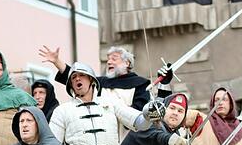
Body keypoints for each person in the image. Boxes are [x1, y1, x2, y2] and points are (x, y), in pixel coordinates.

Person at [38, 45, 173, 111]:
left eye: (114, 59)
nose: (109, 62)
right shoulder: (100, 82)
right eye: (108, 59)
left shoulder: (141, 84)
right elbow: (76, 78)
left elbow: (140, 112)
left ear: (127, 63)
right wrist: (57, 62)